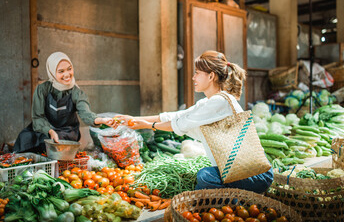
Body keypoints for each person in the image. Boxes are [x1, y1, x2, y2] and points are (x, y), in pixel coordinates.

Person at [116, 50, 273, 193]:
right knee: (206, 176)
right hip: (241, 172)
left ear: (211, 76)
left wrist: (146, 125)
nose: (193, 78)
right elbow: (174, 116)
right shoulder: (208, 102)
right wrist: (134, 119)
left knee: (206, 176)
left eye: (197, 73)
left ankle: (236, 203)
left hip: (255, 175)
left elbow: (178, 124)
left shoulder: (219, 102)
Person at [14, 52, 116, 153]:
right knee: (25, 137)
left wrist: (102, 120)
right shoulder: (42, 89)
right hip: (45, 127)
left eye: (69, 69)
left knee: (58, 143)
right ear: (52, 72)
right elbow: (38, 117)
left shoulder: (77, 92)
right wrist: (50, 131)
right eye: (61, 71)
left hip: (67, 131)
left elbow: (86, 114)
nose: (67, 74)